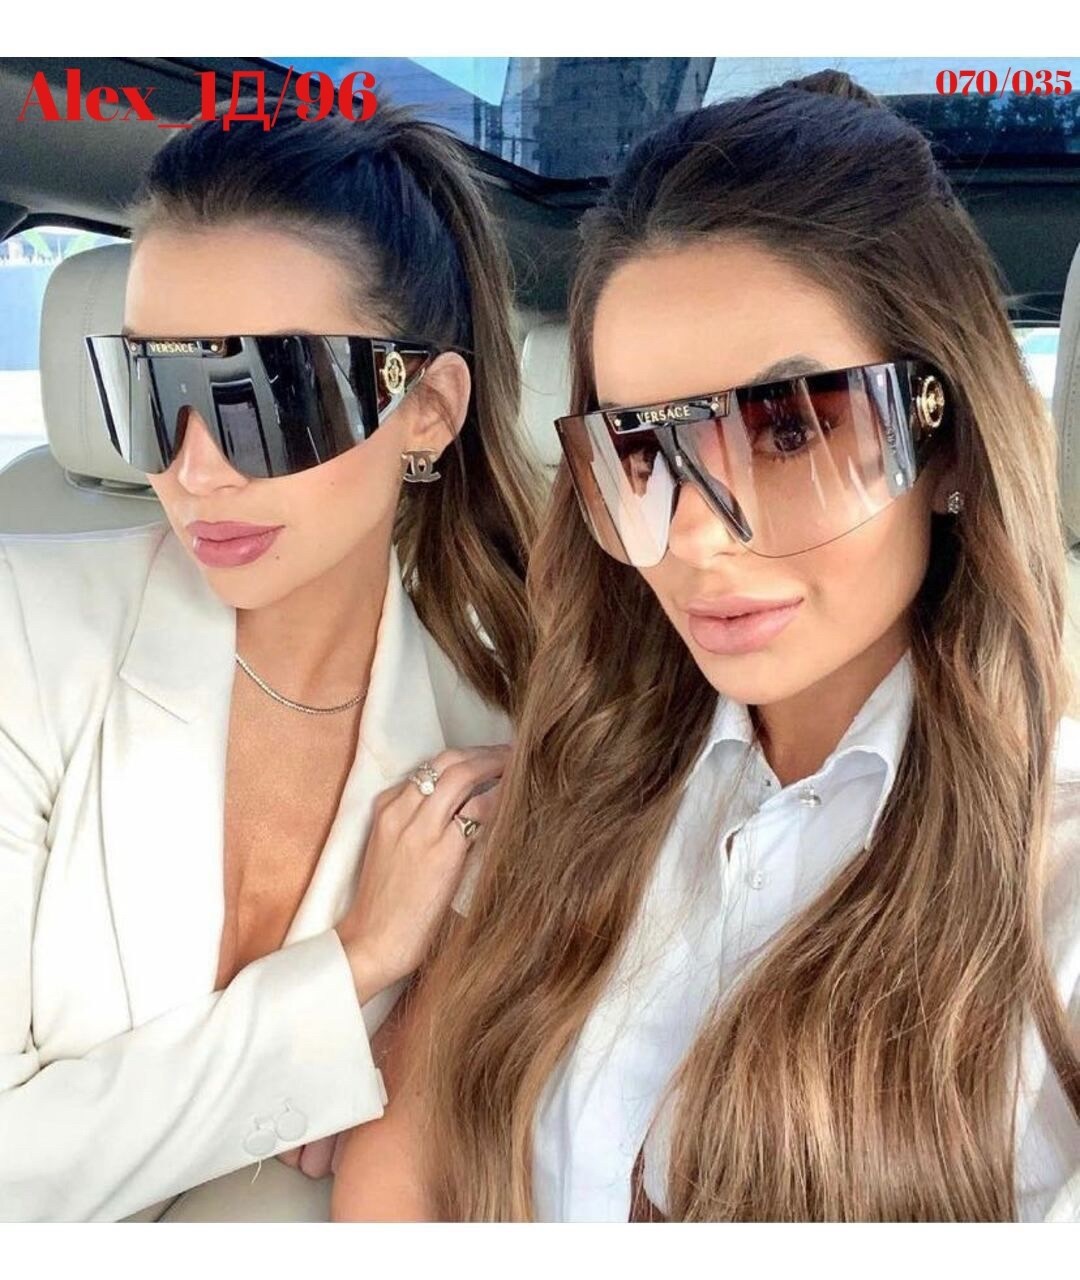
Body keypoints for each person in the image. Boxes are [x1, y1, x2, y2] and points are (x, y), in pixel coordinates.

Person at [331, 71, 1080, 1222]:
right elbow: (410, 1147)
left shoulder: (1053, 886)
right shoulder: (576, 782)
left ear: (951, 445)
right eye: (640, 451)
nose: (692, 535)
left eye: (791, 430)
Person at [0, 98, 540, 1222]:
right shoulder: (23, 632)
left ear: (427, 408)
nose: (197, 470)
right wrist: (355, 968)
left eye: (263, 396)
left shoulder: (491, 752)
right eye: (154, 393)